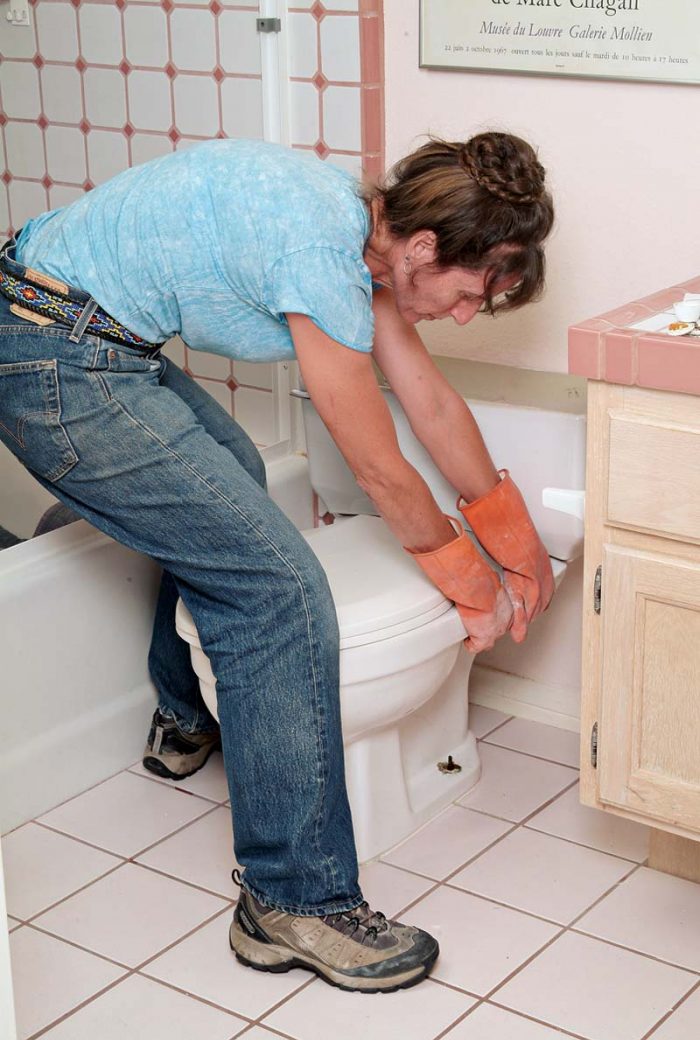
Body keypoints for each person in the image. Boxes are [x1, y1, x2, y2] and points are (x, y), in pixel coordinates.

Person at [0, 131, 554, 993]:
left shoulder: (362, 236)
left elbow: (432, 407)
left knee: (239, 481)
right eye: (472, 290)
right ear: (421, 247)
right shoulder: (318, 250)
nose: (468, 314)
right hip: (54, 356)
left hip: (78, 335)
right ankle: (293, 901)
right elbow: (378, 466)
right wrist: (474, 589)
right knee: (279, 591)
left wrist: (521, 553)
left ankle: (186, 717)